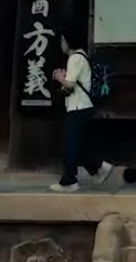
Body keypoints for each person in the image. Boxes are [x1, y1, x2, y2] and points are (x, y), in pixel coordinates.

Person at [49, 29, 114, 193]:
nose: (61, 44)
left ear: (69, 41)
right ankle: (99, 168)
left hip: (78, 108)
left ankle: (70, 180)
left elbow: (70, 86)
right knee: (77, 144)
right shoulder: (81, 56)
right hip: (83, 107)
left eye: (63, 40)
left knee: (70, 144)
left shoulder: (75, 58)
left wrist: (59, 77)